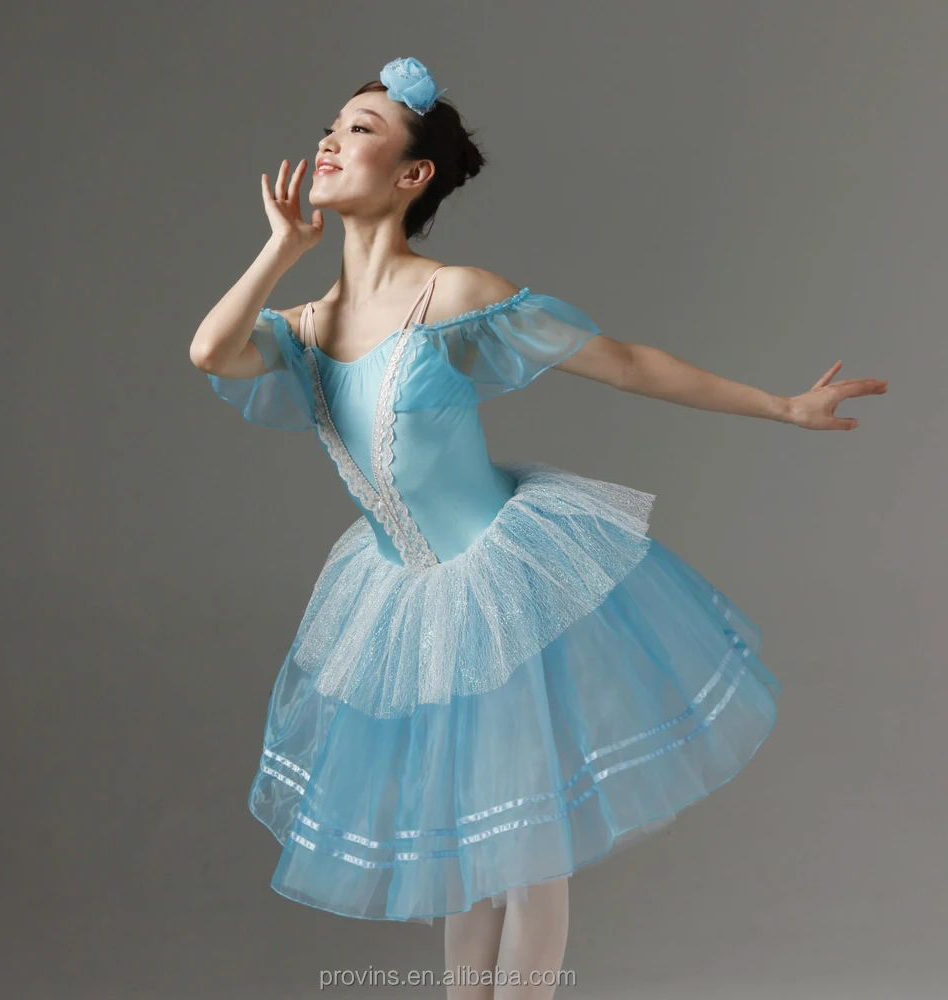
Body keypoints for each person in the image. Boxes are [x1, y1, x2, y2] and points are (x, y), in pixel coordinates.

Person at [190, 57, 887, 1000]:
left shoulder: (454, 296)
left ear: (412, 174)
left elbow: (625, 361)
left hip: (504, 580)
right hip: (404, 602)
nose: (330, 141)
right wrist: (282, 249)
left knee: (524, 852)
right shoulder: (304, 326)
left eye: (360, 128)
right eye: (331, 125)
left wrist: (781, 406)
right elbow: (211, 351)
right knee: (467, 848)